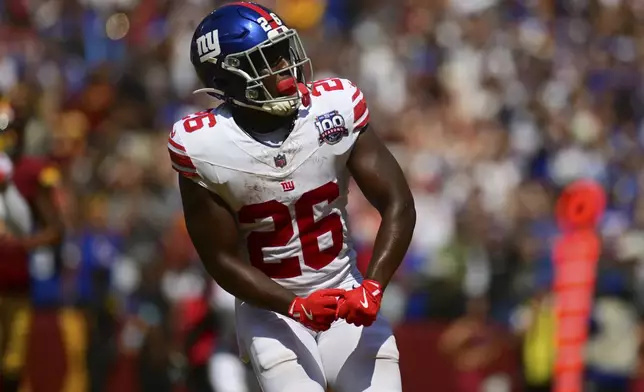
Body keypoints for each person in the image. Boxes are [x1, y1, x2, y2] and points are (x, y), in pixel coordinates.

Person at [167, 2, 416, 392]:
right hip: (272, 312)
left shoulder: (333, 108)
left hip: (345, 291)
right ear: (228, 77)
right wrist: (294, 305)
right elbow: (219, 258)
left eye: (284, 51)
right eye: (266, 59)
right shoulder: (203, 145)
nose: (285, 66)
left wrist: (373, 284)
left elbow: (399, 204)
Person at [0, 91, 64, 392]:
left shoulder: (30, 172)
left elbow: (56, 229)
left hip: (15, 283)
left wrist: (22, 244)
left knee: (12, 363)